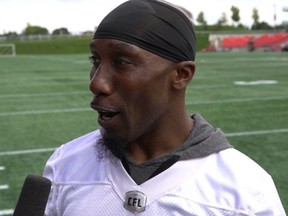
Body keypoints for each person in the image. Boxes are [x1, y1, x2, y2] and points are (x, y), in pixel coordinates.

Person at [43, 0, 286, 215]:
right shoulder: (65, 165)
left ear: (181, 74)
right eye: (95, 60)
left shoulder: (244, 194)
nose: (96, 83)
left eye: (122, 62)